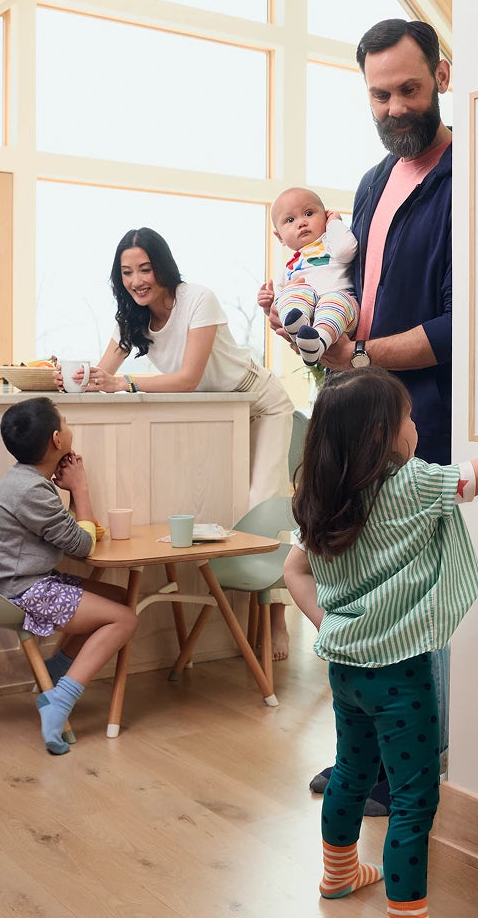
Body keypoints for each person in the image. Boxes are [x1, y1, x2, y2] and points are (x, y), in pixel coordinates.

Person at [283, 353, 478, 918]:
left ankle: (339, 876)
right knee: (413, 797)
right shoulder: (413, 485)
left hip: (346, 670)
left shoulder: (319, 495)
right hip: (402, 674)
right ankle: (406, 910)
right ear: (383, 434)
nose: (417, 427)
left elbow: (294, 572)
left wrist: (334, 627)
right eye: (408, 418)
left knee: (352, 772)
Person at [305, 18, 454, 812]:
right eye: (379, 94)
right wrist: (310, 323)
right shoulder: (371, 182)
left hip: (418, 426)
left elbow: (461, 323)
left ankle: (407, 772)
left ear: (442, 75)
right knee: (361, 598)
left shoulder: (467, 175)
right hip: (357, 420)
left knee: (411, 613)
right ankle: (364, 763)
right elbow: (348, 296)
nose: (395, 107)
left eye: (409, 88)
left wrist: (363, 357)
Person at [66, 227, 295, 661]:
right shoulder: (130, 316)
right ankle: (235, 623)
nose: (137, 280)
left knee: (260, 505)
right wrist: (79, 381)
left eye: (145, 269)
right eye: (127, 272)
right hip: (215, 416)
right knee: (226, 510)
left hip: (259, 403)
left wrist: (122, 382)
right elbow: (103, 377)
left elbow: (188, 378)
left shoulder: (197, 299)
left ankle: (276, 614)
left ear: (163, 267)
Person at [0, 397, 138, 755]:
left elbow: (74, 534)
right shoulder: (32, 491)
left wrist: (73, 499)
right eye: (64, 420)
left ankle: (54, 671)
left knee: (120, 600)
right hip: (20, 591)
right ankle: (59, 700)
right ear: (57, 441)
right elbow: (82, 545)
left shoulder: (28, 482)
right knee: (125, 619)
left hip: (22, 581)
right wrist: (80, 488)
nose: (68, 424)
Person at [257, 187, 358, 365]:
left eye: (309, 213)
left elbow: (346, 251)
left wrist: (334, 222)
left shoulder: (331, 241)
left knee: (334, 299)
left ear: (325, 216)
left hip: (343, 313)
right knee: (293, 292)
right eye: (290, 220)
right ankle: (302, 331)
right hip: (309, 317)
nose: (301, 222)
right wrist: (269, 304)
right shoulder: (290, 267)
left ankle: (318, 341)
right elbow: (277, 310)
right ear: (280, 237)